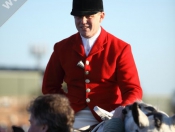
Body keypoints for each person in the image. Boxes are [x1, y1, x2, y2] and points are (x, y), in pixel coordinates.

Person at [42, 0, 143, 130]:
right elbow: (50, 87)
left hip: (111, 114)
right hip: (72, 115)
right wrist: (64, 107)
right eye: (78, 16)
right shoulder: (61, 47)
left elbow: (133, 90)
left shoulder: (120, 48)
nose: (83, 21)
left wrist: (122, 110)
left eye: (89, 16)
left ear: (101, 16)